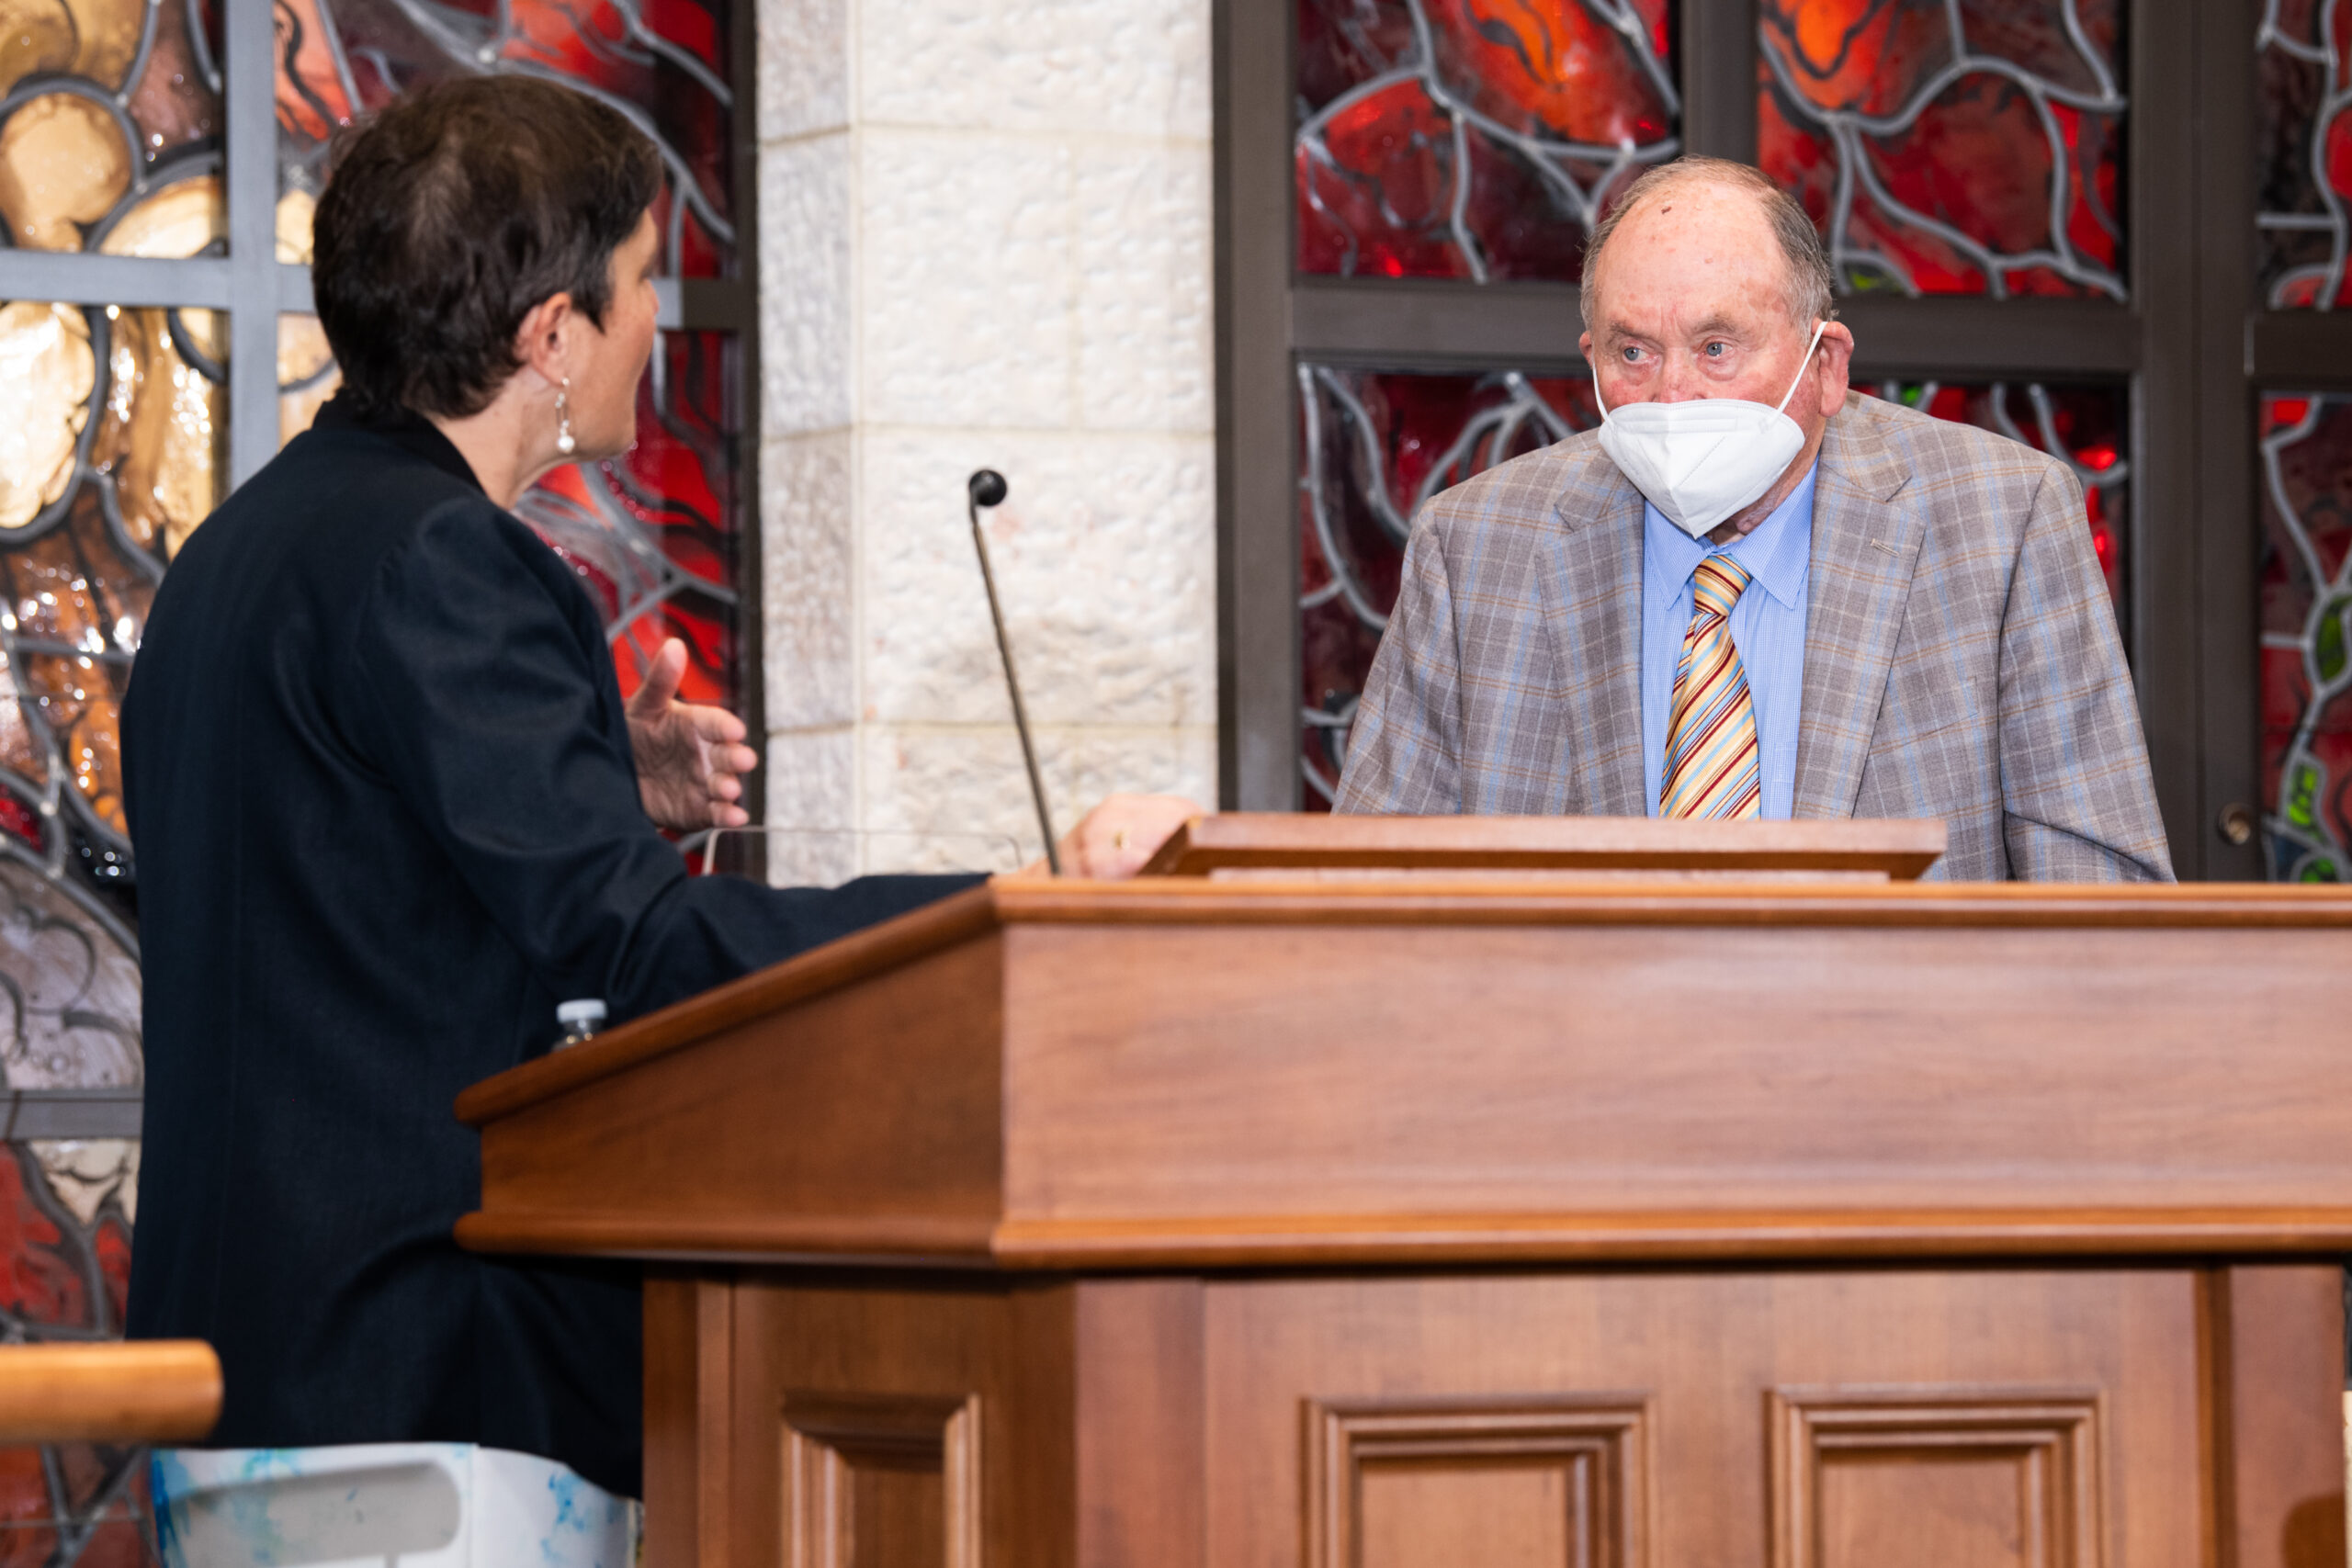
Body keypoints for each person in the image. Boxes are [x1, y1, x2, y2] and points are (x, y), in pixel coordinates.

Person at [119, 73, 1195, 1536]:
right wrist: (1013, 917)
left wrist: (599, 779)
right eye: (639, 285)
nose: (657, 325)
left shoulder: (247, 544)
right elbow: (633, 947)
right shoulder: (448, 557)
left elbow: (345, 873)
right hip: (420, 1371)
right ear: (549, 336)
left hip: (252, 1363)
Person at [1334, 157, 2171, 883]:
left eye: (1717, 347)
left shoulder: (2002, 522)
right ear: (1589, 361)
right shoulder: (1475, 549)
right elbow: (1366, 894)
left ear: (1826, 366)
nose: (1673, 394)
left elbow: (2100, 900)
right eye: (1634, 351)